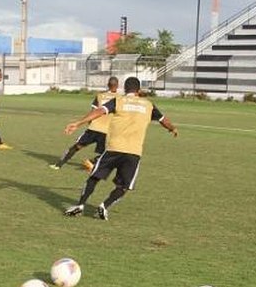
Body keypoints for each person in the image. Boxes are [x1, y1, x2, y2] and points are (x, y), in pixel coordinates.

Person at [62, 76, 177, 220]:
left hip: (113, 149)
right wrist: (172, 128)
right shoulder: (148, 105)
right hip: (133, 153)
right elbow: (163, 120)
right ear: (139, 90)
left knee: (94, 177)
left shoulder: (119, 101)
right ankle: (104, 206)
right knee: (124, 186)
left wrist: (78, 123)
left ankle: (80, 205)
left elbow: (99, 111)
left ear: (124, 89)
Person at [51, 76, 118, 171]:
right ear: (117, 85)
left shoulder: (100, 96)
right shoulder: (120, 99)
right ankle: (92, 162)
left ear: (108, 85)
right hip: (107, 131)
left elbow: (93, 111)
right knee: (108, 153)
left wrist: (88, 123)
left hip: (93, 128)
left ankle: (58, 165)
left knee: (76, 146)